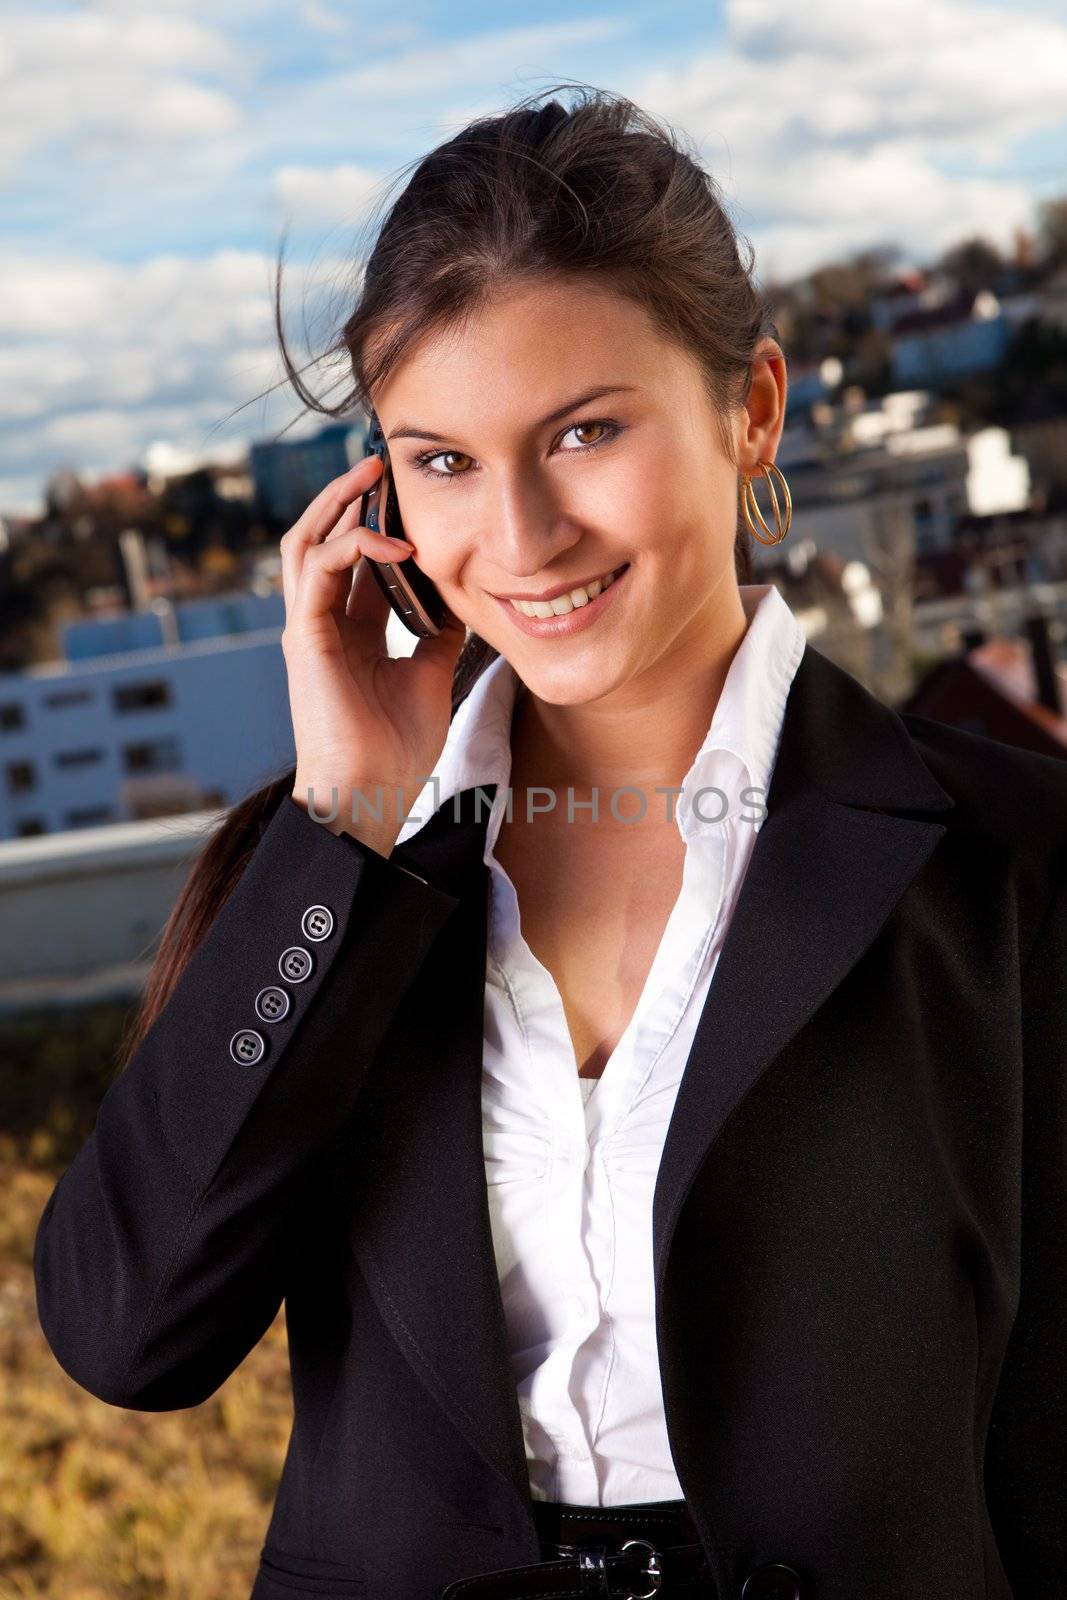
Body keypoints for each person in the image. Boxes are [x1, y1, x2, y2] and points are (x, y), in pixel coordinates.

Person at [33, 86, 1067, 1600]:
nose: (518, 539)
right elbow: (126, 1336)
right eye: (441, 460)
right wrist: (345, 822)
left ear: (753, 409)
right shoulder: (328, 868)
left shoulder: (1013, 866)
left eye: (583, 432)